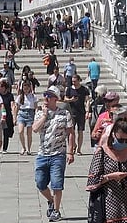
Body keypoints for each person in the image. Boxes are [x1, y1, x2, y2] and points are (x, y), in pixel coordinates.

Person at [32, 86, 75, 222]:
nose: (46, 98)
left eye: (49, 96)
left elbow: (70, 134)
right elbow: (34, 129)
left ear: (55, 99)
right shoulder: (40, 113)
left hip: (58, 153)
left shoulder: (64, 114)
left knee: (57, 184)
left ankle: (56, 211)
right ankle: (50, 200)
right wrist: (44, 116)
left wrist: (70, 152)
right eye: (45, 95)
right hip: (43, 153)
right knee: (40, 183)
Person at [86, 119, 127, 223]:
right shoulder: (102, 152)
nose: (124, 143)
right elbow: (92, 182)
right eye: (120, 140)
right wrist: (110, 177)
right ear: (113, 135)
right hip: (108, 204)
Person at [63, 74, 90, 155]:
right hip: (71, 112)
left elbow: (87, 100)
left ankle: (79, 149)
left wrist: (87, 111)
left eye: (75, 81)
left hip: (81, 112)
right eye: (72, 81)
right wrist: (70, 100)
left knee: (80, 131)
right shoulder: (69, 89)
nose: (73, 83)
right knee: (71, 131)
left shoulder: (84, 89)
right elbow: (65, 99)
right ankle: (73, 145)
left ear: (79, 80)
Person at [14, 80, 37, 155]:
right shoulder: (20, 97)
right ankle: (23, 147)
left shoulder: (33, 96)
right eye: (24, 88)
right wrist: (14, 117)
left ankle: (29, 149)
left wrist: (36, 116)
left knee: (29, 133)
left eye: (27, 88)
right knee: (20, 131)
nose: (26, 89)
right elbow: (16, 107)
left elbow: (35, 107)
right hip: (22, 113)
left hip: (30, 114)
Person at [0, 81, 15, 154]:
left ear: (4, 88)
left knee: (7, 133)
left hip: (7, 116)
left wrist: (14, 115)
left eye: (0, 87)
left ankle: (5, 148)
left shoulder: (9, 95)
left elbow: (12, 105)